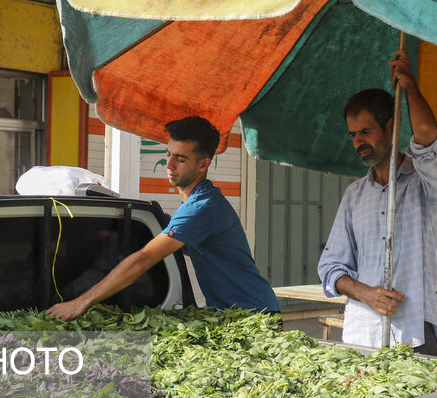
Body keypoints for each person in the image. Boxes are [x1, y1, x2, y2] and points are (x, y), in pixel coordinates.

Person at [47, 116, 279, 320]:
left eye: (180, 159)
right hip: (229, 313)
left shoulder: (201, 207)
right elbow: (209, 251)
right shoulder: (199, 201)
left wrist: (80, 302)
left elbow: (143, 260)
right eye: (168, 154)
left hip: (254, 315)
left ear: (204, 164)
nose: (169, 165)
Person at [317, 49, 437, 355]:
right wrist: (367, 294)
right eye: (353, 134)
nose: (357, 142)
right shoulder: (355, 194)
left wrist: (409, 86)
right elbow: (330, 268)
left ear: (391, 127)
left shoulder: (427, 182)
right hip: (361, 336)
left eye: (366, 131)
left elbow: (428, 134)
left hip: (413, 333)